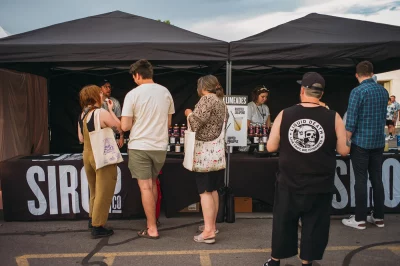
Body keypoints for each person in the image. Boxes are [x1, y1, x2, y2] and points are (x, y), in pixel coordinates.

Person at [264, 72, 349, 266]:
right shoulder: (333, 116)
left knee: (283, 222)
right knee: (314, 225)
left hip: (289, 181)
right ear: (321, 94)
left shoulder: (285, 113)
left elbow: (270, 147)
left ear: (302, 90)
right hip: (320, 183)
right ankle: (306, 262)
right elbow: (344, 150)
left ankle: (275, 260)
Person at [121, 59, 175, 239]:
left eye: (133, 77)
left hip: (140, 146)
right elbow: (168, 123)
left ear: (137, 75)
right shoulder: (165, 92)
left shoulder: (132, 94)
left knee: (145, 187)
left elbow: (125, 126)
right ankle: (154, 220)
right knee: (152, 184)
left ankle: (151, 228)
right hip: (160, 146)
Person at [342, 61, 388, 230]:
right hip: (378, 142)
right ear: (372, 72)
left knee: (360, 180)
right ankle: (379, 217)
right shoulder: (383, 91)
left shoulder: (357, 91)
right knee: (377, 178)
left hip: (361, 143)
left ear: (357, 75)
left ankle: (360, 218)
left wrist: (346, 143)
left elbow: (351, 122)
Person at [184, 75, 227, 244]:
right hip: (217, 152)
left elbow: (195, 123)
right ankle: (212, 225)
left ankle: (209, 231)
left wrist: (188, 114)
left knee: (205, 192)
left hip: (204, 154)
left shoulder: (206, 100)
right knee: (213, 189)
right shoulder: (221, 101)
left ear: (202, 87)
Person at [77, 85, 123, 238]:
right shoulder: (101, 112)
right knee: (104, 191)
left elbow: (81, 138)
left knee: (94, 191)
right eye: (100, 92)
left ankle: (92, 219)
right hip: (101, 155)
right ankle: (98, 226)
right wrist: (110, 111)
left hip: (87, 154)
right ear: (95, 96)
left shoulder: (82, 115)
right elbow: (120, 127)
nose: (102, 94)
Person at [99, 79, 124, 148]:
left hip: (112, 136)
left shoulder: (115, 102)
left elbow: (119, 122)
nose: (108, 89)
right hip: (99, 137)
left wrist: (120, 137)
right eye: (105, 87)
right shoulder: (96, 102)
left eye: (109, 87)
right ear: (100, 89)